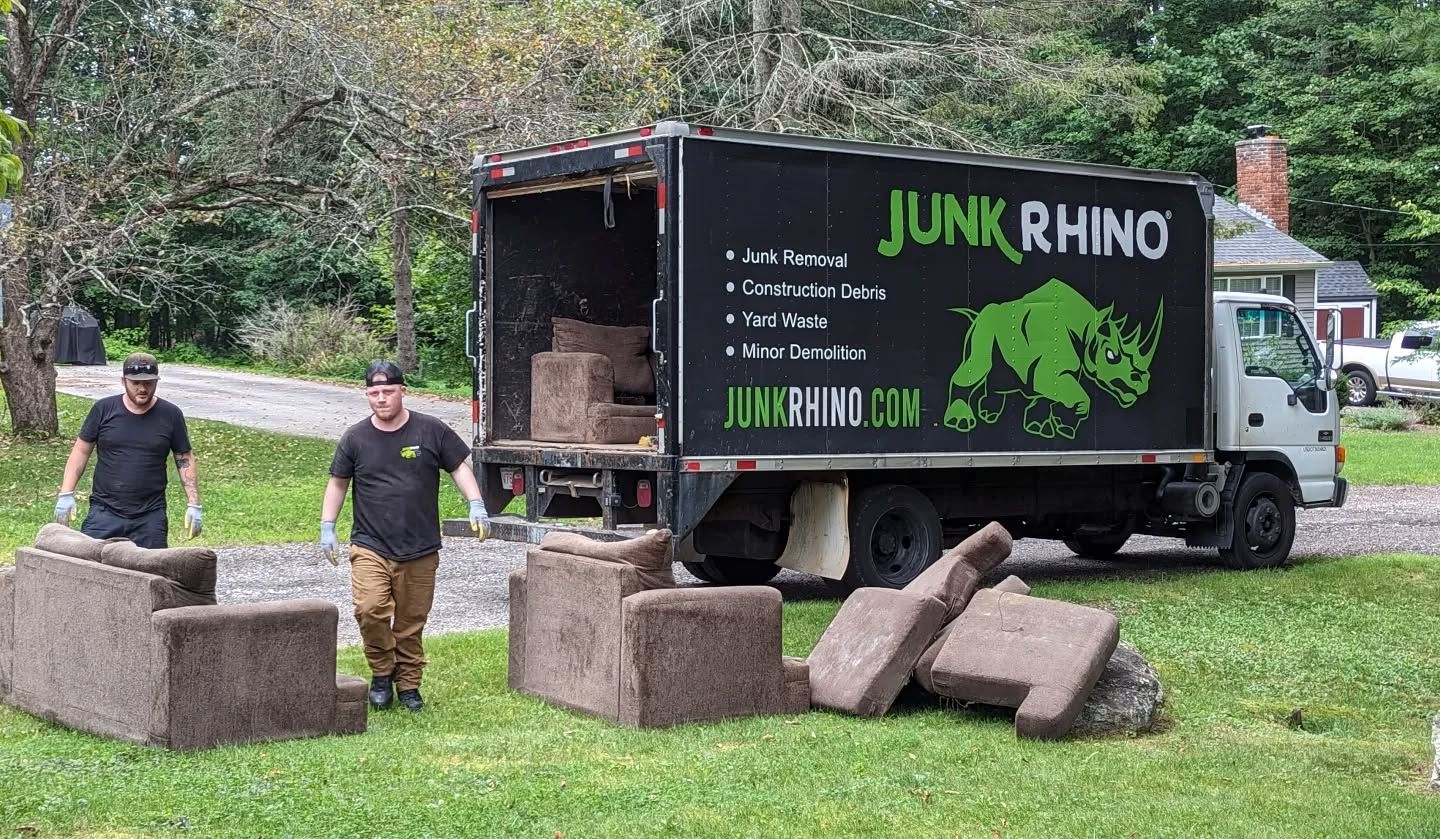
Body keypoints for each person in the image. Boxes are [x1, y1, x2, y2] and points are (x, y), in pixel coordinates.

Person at [321, 360, 490, 713]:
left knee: (412, 621)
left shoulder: (431, 431)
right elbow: (338, 482)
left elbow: (459, 466)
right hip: (371, 544)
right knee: (370, 610)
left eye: (387, 391)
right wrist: (328, 526)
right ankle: (383, 673)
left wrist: (476, 503)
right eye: (373, 393)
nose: (380, 399)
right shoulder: (355, 437)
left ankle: (409, 684)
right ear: (367, 395)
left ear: (402, 391)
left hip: (420, 547)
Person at [54, 352, 202, 549]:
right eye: (135, 383)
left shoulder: (171, 415)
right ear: (123, 381)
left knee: (151, 573)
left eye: (149, 383)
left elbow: (183, 458)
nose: (142, 388)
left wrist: (193, 504)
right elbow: (81, 451)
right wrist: (66, 493)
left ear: (157, 382)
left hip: (150, 515)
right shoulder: (104, 409)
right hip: (104, 511)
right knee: (90, 568)